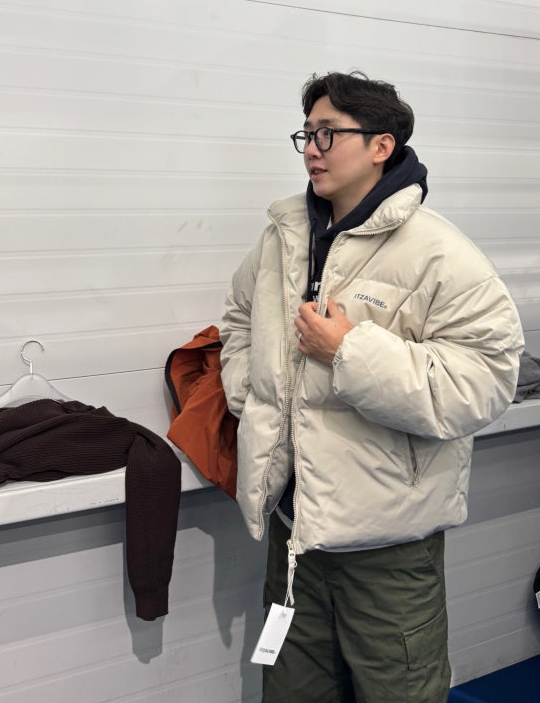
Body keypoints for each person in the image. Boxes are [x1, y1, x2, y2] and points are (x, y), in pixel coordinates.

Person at [220, 70, 524, 702]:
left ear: (382, 145)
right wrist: (257, 398)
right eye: (306, 133)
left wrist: (349, 351)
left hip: (389, 550)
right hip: (294, 532)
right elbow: (239, 320)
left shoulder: (439, 252)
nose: (312, 149)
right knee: (292, 693)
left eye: (328, 134)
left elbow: (486, 382)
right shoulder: (282, 239)